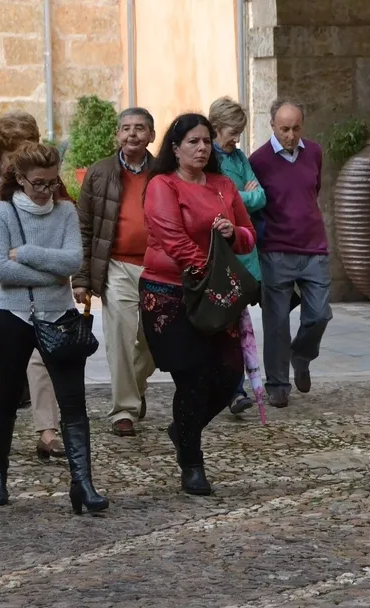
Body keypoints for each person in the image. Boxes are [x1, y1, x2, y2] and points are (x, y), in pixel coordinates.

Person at [0, 142, 107, 515]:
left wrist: (29, 254)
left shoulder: (66, 211)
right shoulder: (2, 213)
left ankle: (82, 484)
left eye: (53, 182)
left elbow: (72, 261)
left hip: (59, 315)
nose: (47, 190)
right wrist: (51, 272)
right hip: (11, 314)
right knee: (4, 397)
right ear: (20, 179)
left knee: (73, 403)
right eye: (39, 183)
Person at [140, 113, 256, 495]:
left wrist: (232, 231)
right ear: (175, 148)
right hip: (170, 293)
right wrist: (208, 270)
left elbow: (248, 237)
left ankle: (183, 431)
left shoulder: (224, 185)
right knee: (191, 377)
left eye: (206, 141)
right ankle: (192, 463)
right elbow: (170, 238)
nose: (202, 147)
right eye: (193, 141)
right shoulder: (163, 185)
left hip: (213, 294)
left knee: (227, 375)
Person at [0, 111, 63, 459]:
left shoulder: (42, 186)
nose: (18, 163)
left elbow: (57, 238)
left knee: (41, 360)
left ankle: (47, 432)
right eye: (12, 155)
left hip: (35, 293)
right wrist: (17, 260)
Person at [73, 107, 157, 437]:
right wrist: (81, 278)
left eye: (140, 128)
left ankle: (134, 390)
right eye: (125, 128)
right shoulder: (99, 173)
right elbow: (83, 227)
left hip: (158, 268)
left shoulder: (164, 172)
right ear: (117, 135)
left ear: (151, 135)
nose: (132, 134)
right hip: (118, 266)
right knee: (121, 338)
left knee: (154, 340)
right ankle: (124, 409)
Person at [249, 99, 330, 408]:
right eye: (284, 129)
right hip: (276, 250)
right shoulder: (259, 160)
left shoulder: (315, 153)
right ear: (272, 126)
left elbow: (313, 190)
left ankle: (302, 354)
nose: (291, 135)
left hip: (314, 246)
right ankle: (278, 384)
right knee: (276, 320)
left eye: (296, 128)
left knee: (320, 313)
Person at [208, 96, 266, 415]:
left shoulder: (240, 156)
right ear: (217, 127)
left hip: (243, 254)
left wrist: (239, 195)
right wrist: (243, 193)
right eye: (233, 131)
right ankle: (233, 389)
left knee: (238, 324)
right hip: (221, 256)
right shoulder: (210, 159)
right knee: (229, 325)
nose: (237, 138)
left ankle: (235, 389)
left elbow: (260, 197)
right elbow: (223, 200)